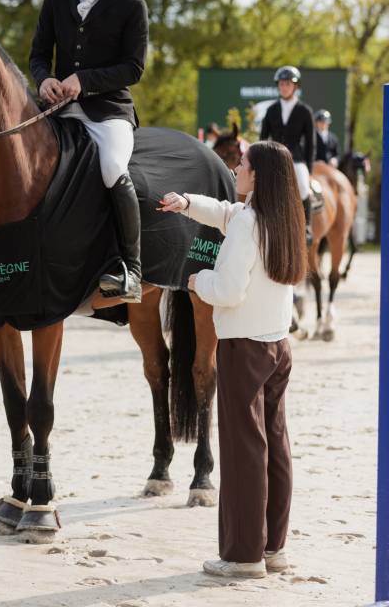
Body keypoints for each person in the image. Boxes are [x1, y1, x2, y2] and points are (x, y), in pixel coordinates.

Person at [158, 140, 305, 579]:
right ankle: (273, 547)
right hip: (278, 346)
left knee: (244, 454)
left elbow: (228, 291)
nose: (236, 169)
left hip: (244, 349)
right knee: (275, 448)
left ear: (257, 175)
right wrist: (186, 204)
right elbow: (226, 213)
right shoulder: (283, 219)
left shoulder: (250, 224)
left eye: (242, 165)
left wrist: (197, 280)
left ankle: (243, 556)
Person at [29, 0, 149, 303]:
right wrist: (45, 79)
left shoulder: (132, 6)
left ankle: (131, 269)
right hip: (58, 108)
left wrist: (85, 81)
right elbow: (38, 56)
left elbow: (133, 68)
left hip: (109, 111)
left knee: (113, 167)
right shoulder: (56, 0)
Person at [259, 65, 315, 245]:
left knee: (305, 188)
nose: (284, 87)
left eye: (288, 84)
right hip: (274, 156)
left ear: (295, 86)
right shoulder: (271, 109)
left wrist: (310, 168)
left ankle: (306, 226)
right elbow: (263, 137)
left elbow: (310, 143)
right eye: (281, 84)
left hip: (296, 159)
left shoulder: (305, 111)